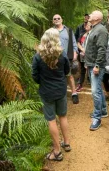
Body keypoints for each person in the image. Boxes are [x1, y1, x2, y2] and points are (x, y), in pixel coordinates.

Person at [32, 28, 71, 161]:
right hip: (60, 90)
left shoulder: (38, 56)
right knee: (63, 116)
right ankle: (66, 143)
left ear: (44, 38)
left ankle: (57, 151)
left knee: (51, 120)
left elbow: (35, 76)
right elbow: (67, 71)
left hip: (46, 92)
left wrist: (43, 82)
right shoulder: (62, 54)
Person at [84, 10, 108, 131]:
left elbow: (102, 49)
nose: (90, 15)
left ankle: (97, 118)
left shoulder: (101, 30)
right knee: (98, 89)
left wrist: (97, 65)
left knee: (95, 91)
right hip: (91, 63)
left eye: (92, 14)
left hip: (96, 65)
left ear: (98, 18)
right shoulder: (94, 28)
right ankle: (103, 110)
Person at [53, 14, 79, 104]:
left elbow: (74, 43)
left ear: (62, 19)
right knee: (57, 76)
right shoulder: (51, 31)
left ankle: (74, 93)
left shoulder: (68, 31)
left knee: (69, 75)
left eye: (58, 18)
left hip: (67, 57)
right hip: (55, 58)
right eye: (54, 19)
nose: (56, 20)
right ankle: (60, 95)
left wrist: (75, 54)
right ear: (53, 21)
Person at [76, 22, 92, 92]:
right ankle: (80, 84)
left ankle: (93, 85)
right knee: (82, 70)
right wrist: (82, 49)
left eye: (88, 25)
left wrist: (87, 51)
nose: (86, 26)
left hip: (90, 55)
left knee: (90, 70)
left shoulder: (92, 34)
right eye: (86, 24)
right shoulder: (82, 34)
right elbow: (78, 43)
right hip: (82, 55)